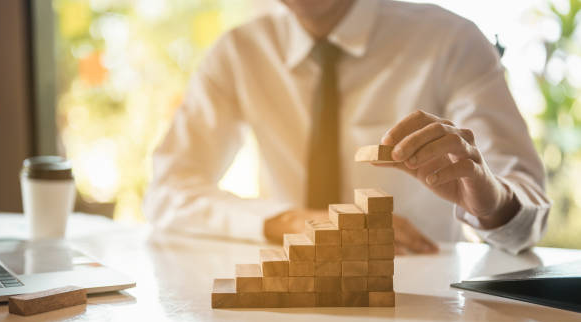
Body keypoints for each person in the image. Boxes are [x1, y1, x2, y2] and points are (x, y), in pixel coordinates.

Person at [144, 0, 550, 255]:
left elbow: (524, 228)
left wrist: (490, 199)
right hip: (288, 300)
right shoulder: (238, 52)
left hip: (424, 297)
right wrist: (293, 221)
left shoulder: (452, 41)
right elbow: (167, 193)